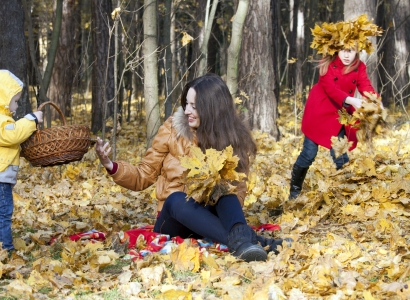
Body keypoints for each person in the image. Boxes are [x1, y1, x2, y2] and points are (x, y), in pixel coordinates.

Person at [96, 73, 288, 261]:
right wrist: (110, 165)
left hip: (209, 219)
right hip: (175, 219)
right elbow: (143, 175)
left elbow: (237, 194)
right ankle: (254, 241)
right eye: (186, 104)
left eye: (194, 106)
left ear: (212, 109)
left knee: (226, 192)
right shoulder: (172, 129)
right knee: (176, 198)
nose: (187, 110)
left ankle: (241, 243)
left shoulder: (233, 139)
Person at [288, 15, 382, 201]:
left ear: (357, 51)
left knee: (340, 155)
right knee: (308, 154)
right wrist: (351, 100)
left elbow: (365, 86)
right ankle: (294, 191)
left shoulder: (359, 67)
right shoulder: (328, 64)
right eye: (343, 50)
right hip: (319, 113)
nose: (347, 55)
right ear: (336, 50)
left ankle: (344, 195)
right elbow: (330, 88)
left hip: (339, 116)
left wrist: (374, 100)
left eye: (351, 51)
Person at [0, 70, 44, 251]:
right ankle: (4, 250)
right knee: (2, 213)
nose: (17, 106)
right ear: (3, 98)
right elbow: (12, 135)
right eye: (15, 101)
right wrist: (32, 119)